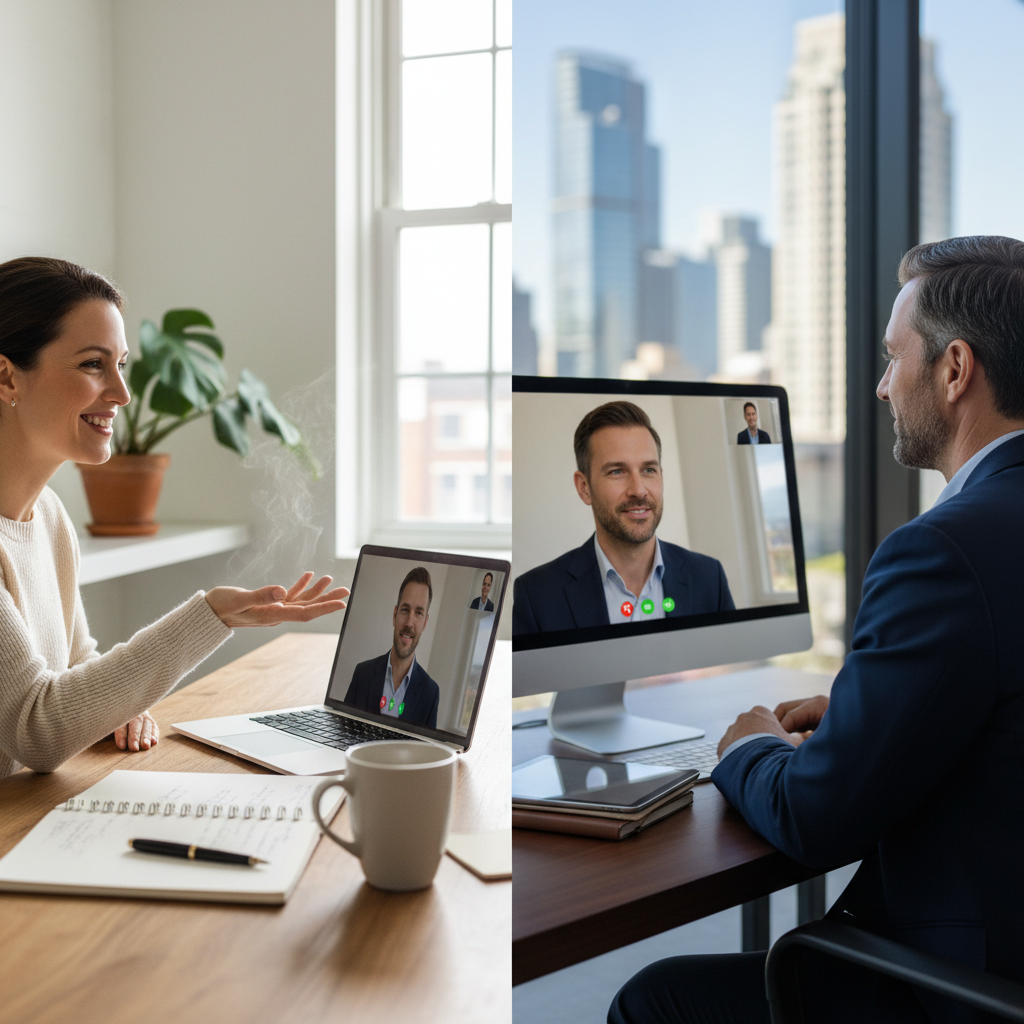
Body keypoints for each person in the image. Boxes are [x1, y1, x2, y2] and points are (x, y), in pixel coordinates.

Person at [608, 235, 1024, 1024]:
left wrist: (749, 747)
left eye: (893, 358)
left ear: (955, 370)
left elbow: (814, 818)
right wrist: (875, 717)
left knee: (656, 998)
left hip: (966, 994)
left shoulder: (943, 551)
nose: (882, 386)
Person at [0, 257, 349, 780]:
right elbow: (38, 729)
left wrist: (117, 707)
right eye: (93, 364)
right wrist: (210, 616)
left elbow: (76, 665)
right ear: (7, 377)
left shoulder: (47, 516)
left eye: (121, 364)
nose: (122, 393)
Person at [513, 400, 734, 634]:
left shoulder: (709, 578)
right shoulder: (537, 595)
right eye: (617, 471)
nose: (638, 490)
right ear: (584, 487)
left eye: (648, 470)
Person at [344, 566, 440, 729]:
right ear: (395, 615)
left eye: (418, 613)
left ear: (425, 623)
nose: (409, 623)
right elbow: (343, 730)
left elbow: (425, 746)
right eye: (405, 610)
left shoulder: (430, 693)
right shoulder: (362, 673)